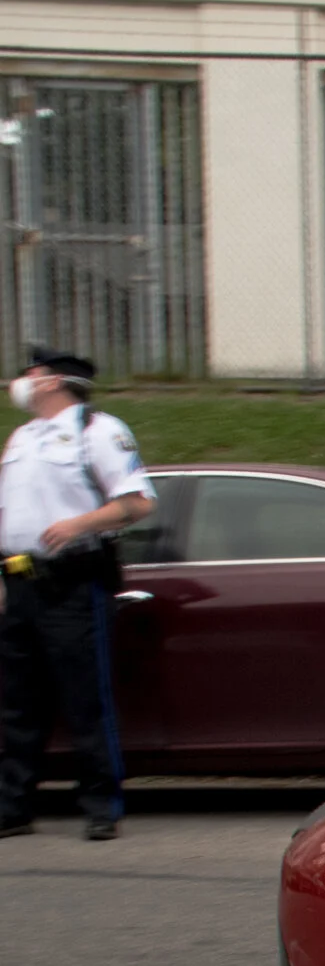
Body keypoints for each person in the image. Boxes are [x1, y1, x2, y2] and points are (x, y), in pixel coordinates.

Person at [0, 349, 156, 841]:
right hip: (18, 582)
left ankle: (100, 806)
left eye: (31, 373)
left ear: (54, 381)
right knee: (17, 703)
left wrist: (77, 524)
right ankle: (14, 806)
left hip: (71, 582)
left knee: (85, 698)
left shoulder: (98, 430)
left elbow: (138, 502)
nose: (22, 380)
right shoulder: (22, 438)